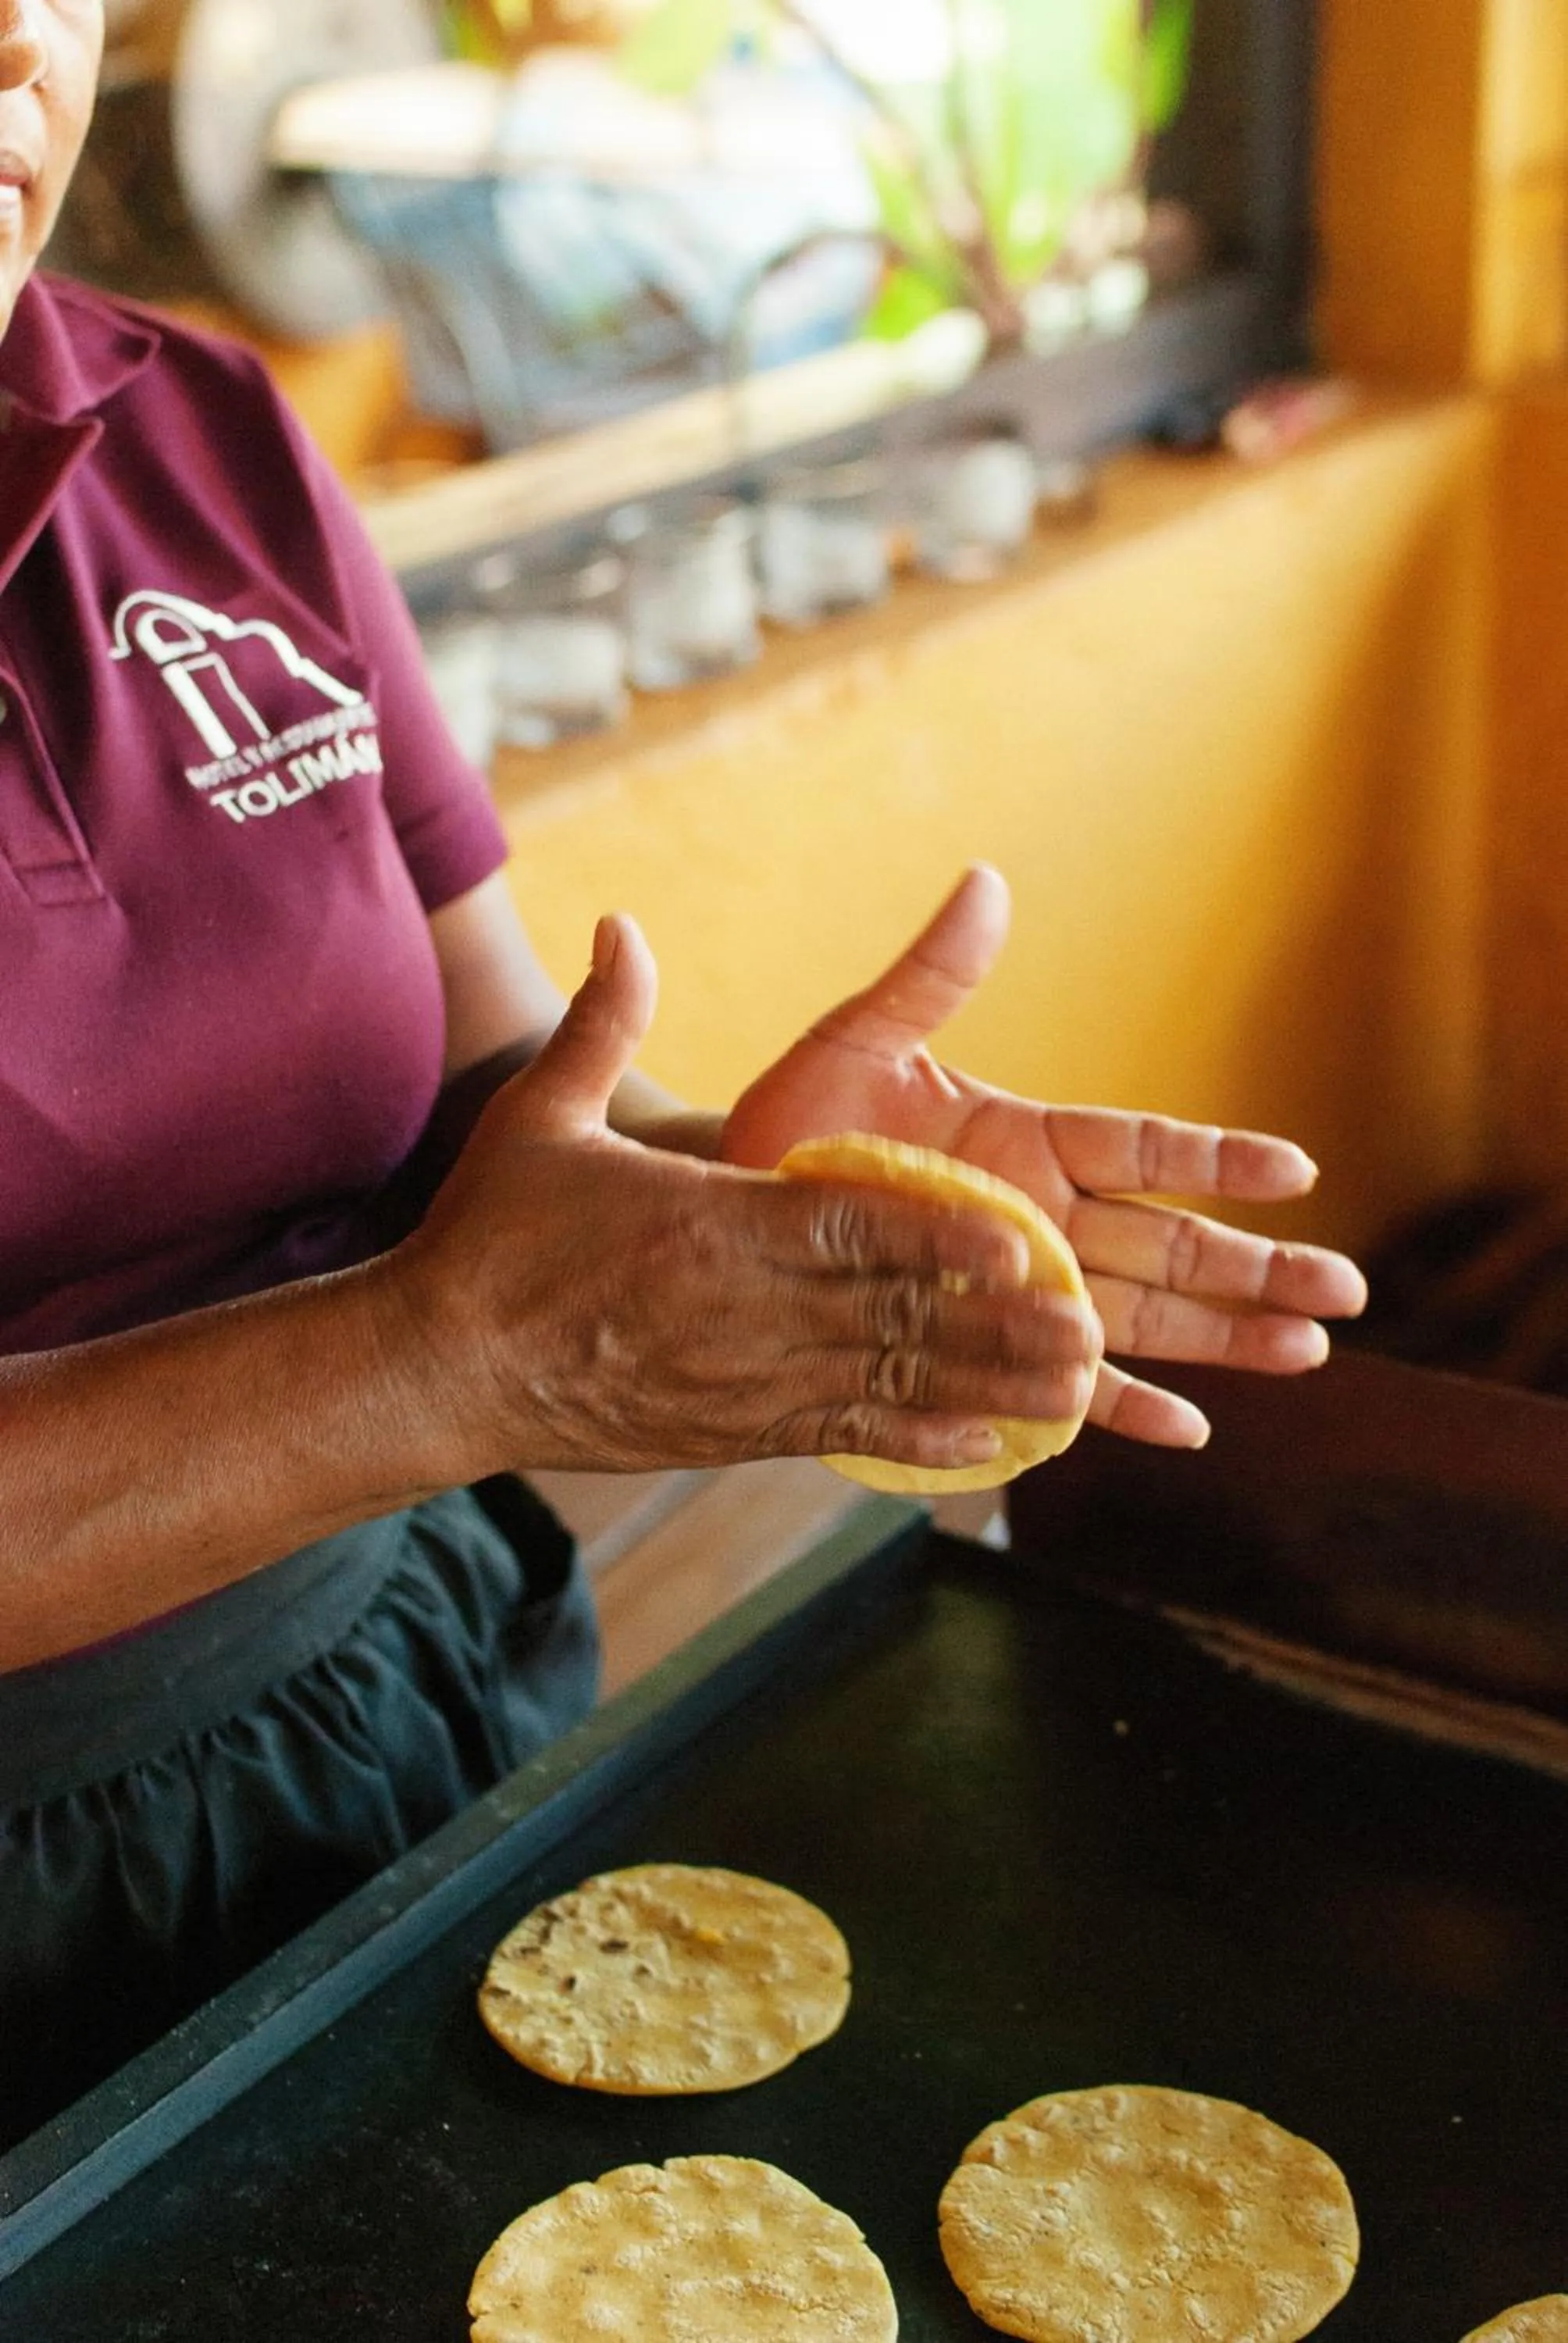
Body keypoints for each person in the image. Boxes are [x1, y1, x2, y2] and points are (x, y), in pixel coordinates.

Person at [0, 0, 1367, 2142]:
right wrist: (455, 1363)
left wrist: (751, 1193)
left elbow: (485, 1098)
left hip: (389, 1694)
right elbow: (462, 1330)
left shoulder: (200, 435)